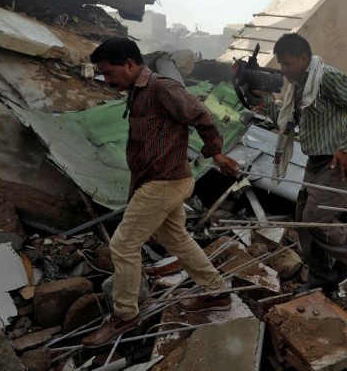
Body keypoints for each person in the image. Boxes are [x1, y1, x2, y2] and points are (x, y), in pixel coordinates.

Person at [82, 37, 240, 348]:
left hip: (164, 182)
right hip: (160, 180)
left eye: (109, 73)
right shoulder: (138, 92)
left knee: (123, 246)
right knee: (175, 238)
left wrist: (216, 153)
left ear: (129, 64)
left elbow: (201, 115)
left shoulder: (161, 88)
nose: (107, 80)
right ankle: (218, 292)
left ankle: (124, 316)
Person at [258, 33, 347, 293]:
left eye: (287, 64)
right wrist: (264, 99)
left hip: (338, 159)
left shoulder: (326, 77)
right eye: (281, 65)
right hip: (317, 161)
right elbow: (288, 122)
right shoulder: (301, 86)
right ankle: (320, 282)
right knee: (303, 220)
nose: (284, 71)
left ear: (303, 58)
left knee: (317, 216)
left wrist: (346, 146)